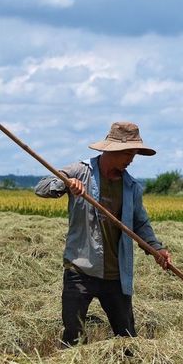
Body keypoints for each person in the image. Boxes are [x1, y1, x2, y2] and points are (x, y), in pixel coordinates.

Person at [35, 121, 172, 347]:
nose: (131, 159)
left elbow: (141, 224)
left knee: (127, 338)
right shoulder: (80, 171)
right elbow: (42, 187)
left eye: (134, 154)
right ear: (111, 150)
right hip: (80, 268)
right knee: (73, 337)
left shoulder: (131, 187)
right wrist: (66, 185)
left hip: (116, 274)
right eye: (128, 153)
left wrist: (156, 249)